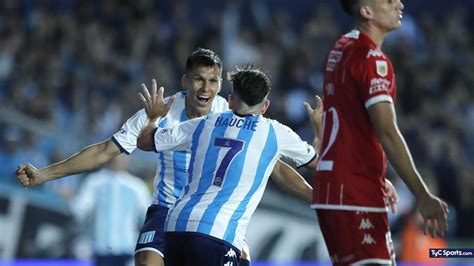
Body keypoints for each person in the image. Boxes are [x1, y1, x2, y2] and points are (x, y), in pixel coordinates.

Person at [15, 48, 312, 266]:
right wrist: (44, 174)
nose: (205, 88)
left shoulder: (231, 113)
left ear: (221, 85)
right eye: (198, 79)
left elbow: (274, 166)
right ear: (185, 81)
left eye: (212, 80)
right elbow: (104, 151)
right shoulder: (161, 112)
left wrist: (315, 197)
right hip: (166, 210)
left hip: (214, 222)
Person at [136, 64, 397, 265]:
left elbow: (146, 141)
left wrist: (154, 118)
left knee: (244, 255)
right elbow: (326, 164)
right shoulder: (272, 132)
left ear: (229, 100)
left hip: (175, 226)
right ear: (266, 106)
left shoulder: (203, 124)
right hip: (216, 234)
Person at [310, 0, 449, 264]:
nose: (399, 4)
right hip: (354, 193)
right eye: (388, 0)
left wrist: (376, 175)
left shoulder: (340, 49)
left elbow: (351, 124)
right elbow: (386, 131)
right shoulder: (373, 60)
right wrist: (422, 195)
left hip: (335, 190)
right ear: (366, 11)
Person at [72, 155, 150, 266]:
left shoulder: (136, 186)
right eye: (115, 156)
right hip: (100, 246)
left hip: (127, 246)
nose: (118, 160)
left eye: (122, 157)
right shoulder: (94, 183)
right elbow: (80, 210)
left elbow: (147, 215)